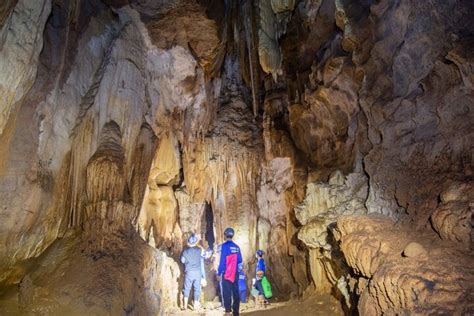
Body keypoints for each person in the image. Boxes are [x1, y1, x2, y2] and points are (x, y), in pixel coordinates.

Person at [217, 227, 243, 316]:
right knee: (236, 292)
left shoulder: (224, 246)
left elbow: (222, 260)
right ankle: (236, 312)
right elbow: (240, 260)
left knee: (227, 292)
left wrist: (219, 272)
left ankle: (228, 311)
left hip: (227, 273)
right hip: (235, 273)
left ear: (225, 235)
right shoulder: (237, 247)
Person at [180, 234, 207, 311]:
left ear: (188, 242)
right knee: (197, 289)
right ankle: (195, 305)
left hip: (189, 272)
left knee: (187, 288)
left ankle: (185, 305)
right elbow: (204, 258)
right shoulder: (199, 250)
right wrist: (204, 277)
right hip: (198, 273)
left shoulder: (185, 252)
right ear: (195, 242)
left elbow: (182, 261)